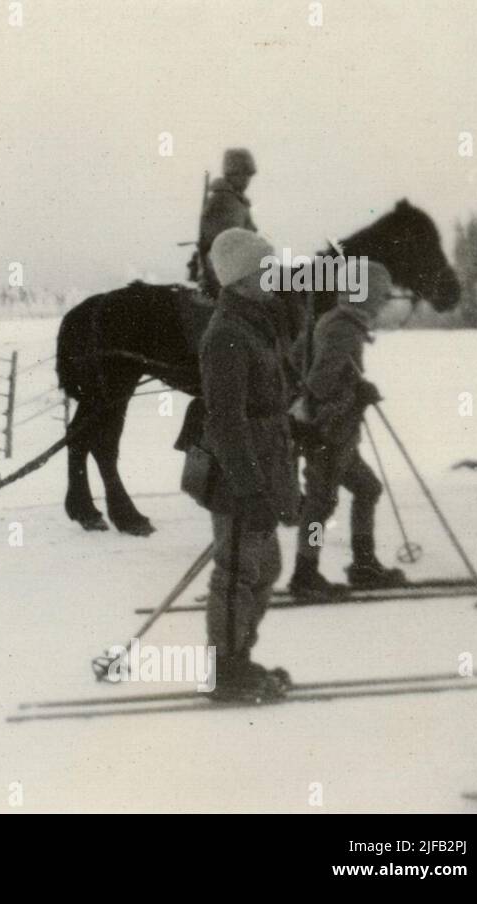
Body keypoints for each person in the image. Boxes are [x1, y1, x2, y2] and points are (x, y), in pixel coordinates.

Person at [199, 228, 299, 701]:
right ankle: (223, 667)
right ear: (240, 279)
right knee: (237, 571)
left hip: (264, 467)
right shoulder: (227, 335)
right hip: (240, 476)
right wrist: (249, 489)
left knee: (264, 568)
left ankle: (237, 655)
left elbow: (266, 401)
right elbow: (226, 420)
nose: (274, 276)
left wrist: (296, 431)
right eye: (265, 269)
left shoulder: (255, 324)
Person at [288, 261, 406, 598]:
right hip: (328, 433)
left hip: (336, 432)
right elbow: (321, 383)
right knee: (320, 504)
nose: (383, 302)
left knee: (367, 488)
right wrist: (357, 394)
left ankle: (363, 564)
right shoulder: (345, 329)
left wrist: (354, 385)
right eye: (381, 295)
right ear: (364, 294)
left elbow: (298, 358)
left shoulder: (333, 320)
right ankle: (305, 573)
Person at [195, 148, 259, 297]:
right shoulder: (225, 201)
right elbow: (224, 248)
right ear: (233, 173)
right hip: (227, 283)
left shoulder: (235, 200)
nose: (247, 180)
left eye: (249, 175)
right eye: (245, 174)